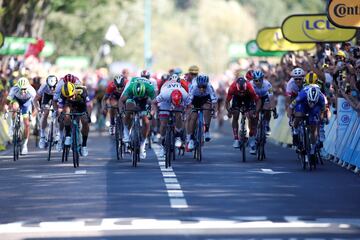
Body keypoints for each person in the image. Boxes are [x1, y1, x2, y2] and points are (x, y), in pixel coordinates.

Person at [119, 77, 156, 159]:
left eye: (140, 96)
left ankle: (142, 145)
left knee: (146, 121)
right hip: (132, 97)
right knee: (128, 110)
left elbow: (154, 104)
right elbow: (121, 101)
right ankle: (126, 132)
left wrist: (151, 113)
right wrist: (122, 111)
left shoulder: (149, 88)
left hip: (145, 100)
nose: (139, 98)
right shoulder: (130, 88)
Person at [287, 86, 326, 161]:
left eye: (313, 102)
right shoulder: (301, 96)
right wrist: (291, 119)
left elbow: (323, 111)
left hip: (316, 107)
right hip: (303, 103)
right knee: (299, 115)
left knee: (313, 127)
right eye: (310, 101)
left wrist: (320, 120)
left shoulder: (321, 98)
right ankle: (295, 132)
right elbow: (290, 107)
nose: (311, 104)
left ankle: (313, 149)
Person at [154, 78, 191, 156]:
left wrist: (185, 115)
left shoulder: (184, 94)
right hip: (165, 101)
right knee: (163, 123)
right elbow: (154, 102)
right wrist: (155, 112)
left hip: (178, 100)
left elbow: (190, 106)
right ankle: (162, 144)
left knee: (179, 115)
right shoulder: (164, 94)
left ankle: (178, 135)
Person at [226, 76, 260, 154]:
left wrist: (256, 112)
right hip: (236, 99)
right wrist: (229, 111)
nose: (241, 93)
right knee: (236, 114)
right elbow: (227, 102)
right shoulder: (232, 87)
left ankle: (252, 137)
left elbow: (257, 101)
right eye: (240, 92)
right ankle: (236, 139)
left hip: (248, 98)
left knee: (252, 116)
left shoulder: (250, 87)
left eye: (243, 91)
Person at [58, 82, 91, 157]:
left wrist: (88, 115)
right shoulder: (63, 94)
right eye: (68, 97)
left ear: (74, 91)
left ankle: (84, 145)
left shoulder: (82, 91)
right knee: (66, 113)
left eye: (72, 95)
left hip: (81, 106)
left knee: (85, 121)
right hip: (69, 106)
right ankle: (68, 135)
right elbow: (60, 107)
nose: (71, 98)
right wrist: (60, 115)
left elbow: (89, 105)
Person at [5, 77, 36, 154]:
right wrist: (6, 110)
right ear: (18, 87)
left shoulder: (32, 90)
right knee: (15, 107)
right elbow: (7, 101)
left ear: (28, 87)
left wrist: (33, 114)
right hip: (17, 100)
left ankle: (25, 145)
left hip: (26, 103)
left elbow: (35, 104)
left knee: (27, 124)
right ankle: (12, 126)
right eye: (21, 89)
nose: (23, 91)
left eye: (25, 89)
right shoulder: (14, 89)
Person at [186, 75, 217, 151]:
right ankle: (191, 138)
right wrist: (190, 109)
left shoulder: (209, 87)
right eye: (200, 87)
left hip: (206, 98)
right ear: (197, 85)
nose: (202, 89)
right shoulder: (193, 86)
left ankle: (206, 130)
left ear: (207, 84)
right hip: (195, 99)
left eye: (204, 87)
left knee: (207, 109)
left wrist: (214, 111)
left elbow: (214, 101)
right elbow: (189, 101)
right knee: (193, 117)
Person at [33, 75, 59, 148]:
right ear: (47, 84)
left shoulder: (59, 87)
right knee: (45, 113)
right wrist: (38, 109)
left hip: (56, 97)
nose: (51, 89)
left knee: (58, 112)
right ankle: (42, 136)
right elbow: (35, 100)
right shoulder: (43, 87)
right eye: (50, 87)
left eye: (53, 87)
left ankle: (57, 134)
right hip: (46, 97)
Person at [250, 70, 277, 135]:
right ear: (253, 80)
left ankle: (267, 124)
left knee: (267, 108)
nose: (258, 82)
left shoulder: (268, 85)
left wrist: (273, 108)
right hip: (255, 98)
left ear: (263, 79)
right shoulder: (250, 85)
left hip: (265, 97)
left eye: (260, 80)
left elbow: (271, 98)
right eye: (256, 80)